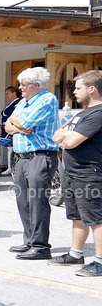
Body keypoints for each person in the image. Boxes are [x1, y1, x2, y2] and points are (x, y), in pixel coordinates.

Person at [5, 66, 60, 260]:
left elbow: (25, 124)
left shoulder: (47, 99)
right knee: (23, 201)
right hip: (22, 158)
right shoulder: (23, 102)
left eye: (24, 84)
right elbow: (8, 125)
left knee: (38, 202)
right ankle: (29, 240)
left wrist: (17, 123)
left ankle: (40, 246)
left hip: (40, 156)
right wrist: (16, 124)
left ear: (36, 85)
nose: (20, 87)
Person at [50, 70, 102, 276]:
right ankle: (75, 254)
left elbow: (69, 141)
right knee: (78, 216)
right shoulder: (82, 113)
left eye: (78, 88)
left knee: (96, 218)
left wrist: (65, 136)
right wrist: (65, 136)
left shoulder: (98, 114)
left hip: (90, 174)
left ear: (92, 89)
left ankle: (99, 261)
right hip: (72, 173)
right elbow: (56, 136)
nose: (74, 92)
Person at [0, 85, 21, 175]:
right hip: (6, 128)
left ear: (14, 93)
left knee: (12, 148)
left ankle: (11, 167)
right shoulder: (10, 103)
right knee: (9, 148)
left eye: (8, 93)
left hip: (12, 128)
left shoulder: (18, 103)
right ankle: (10, 166)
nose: (7, 95)